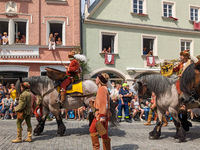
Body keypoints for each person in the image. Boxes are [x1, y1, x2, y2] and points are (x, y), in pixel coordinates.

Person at [89, 73, 111, 150]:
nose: (95, 79)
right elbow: (103, 101)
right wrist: (95, 101)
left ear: (100, 80)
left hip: (100, 115)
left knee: (93, 130)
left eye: (97, 78)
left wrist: (102, 116)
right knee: (103, 133)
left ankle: (96, 148)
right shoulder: (104, 88)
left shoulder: (102, 89)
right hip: (102, 114)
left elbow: (103, 103)